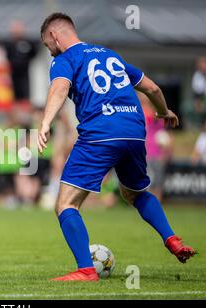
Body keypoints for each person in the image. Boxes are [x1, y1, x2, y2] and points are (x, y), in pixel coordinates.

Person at [37, 13, 196, 282]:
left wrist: (45, 123)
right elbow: (153, 88)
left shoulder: (63, 60)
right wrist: (164, 112)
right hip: (134, 132)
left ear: (54, 36)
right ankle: (172, 239)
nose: (49, 51)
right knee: (135, 193)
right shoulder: (110, 55)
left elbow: (59, 89)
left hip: (100, 133)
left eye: (46, 45)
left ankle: (86, 270)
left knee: (65, 204)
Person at [4, 20, 38, 106]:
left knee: (25, 92)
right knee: (15, 93)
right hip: (14, 72)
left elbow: (34, 52)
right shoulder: (9, 43)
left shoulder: (27, 42)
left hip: (25, 72)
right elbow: (7, 55)